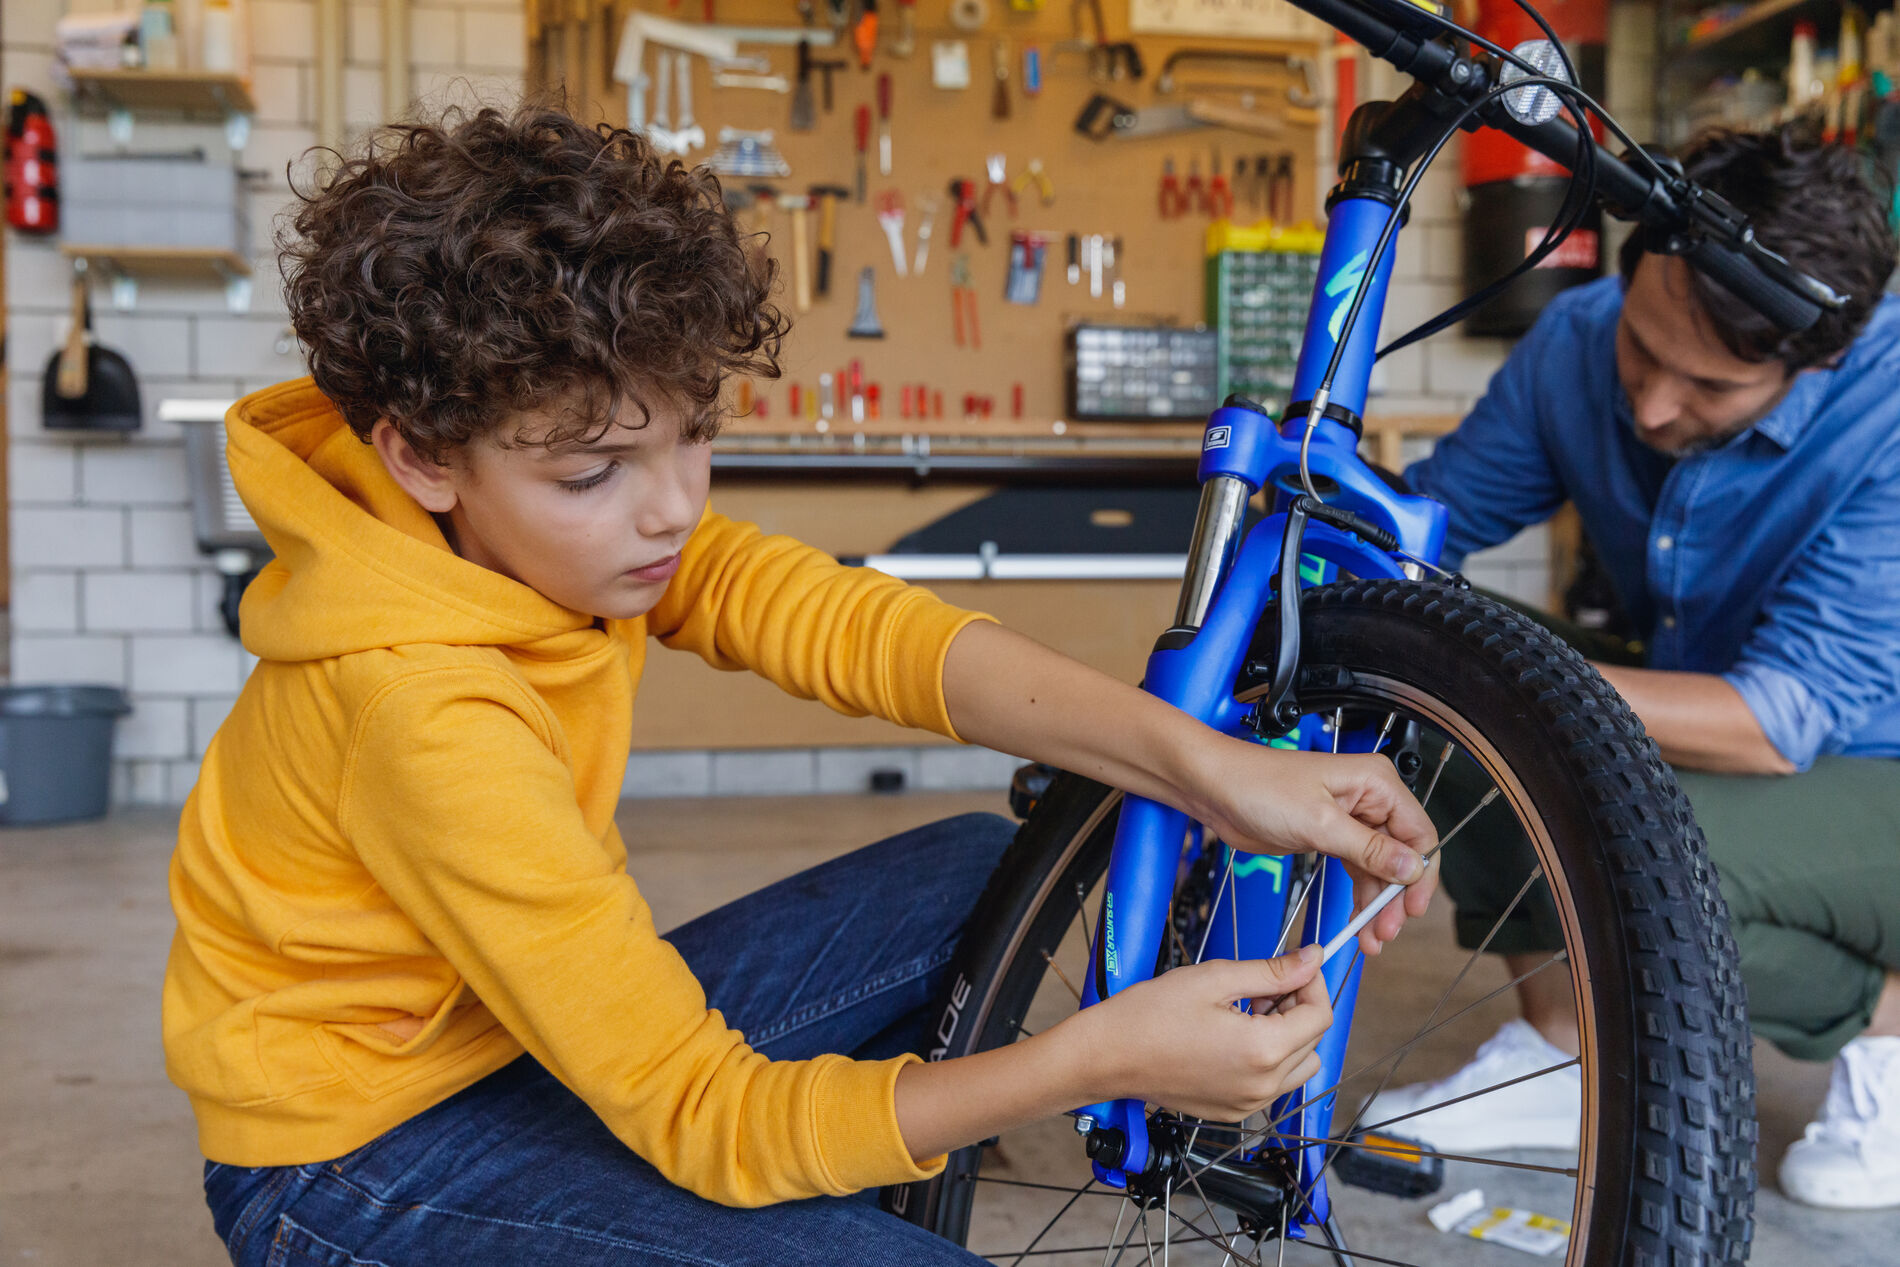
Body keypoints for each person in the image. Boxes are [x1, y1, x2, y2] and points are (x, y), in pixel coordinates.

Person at [161, 103, 1441, 1266]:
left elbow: (855, 627)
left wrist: (1211, 766)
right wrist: (1086, 1061)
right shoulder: (417, 708)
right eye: (595, 472)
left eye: (696, 433)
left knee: (969, 867)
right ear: (424, 456)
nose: (671, 511)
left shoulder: (536, 533)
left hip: (506, 1043)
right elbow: (704, 1115)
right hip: (350, 1161)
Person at [1371, 125, 1900, 1211]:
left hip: (1871, 758)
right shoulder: (1576, 341)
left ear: (1818, 360)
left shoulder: (1888, 406)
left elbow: (1776, 719)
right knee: (1420, 668)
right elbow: (1424, 534)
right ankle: (1561, 1050)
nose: (1653, 405)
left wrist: (1509, 687)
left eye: (1705, 386)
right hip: (1736, 714)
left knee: (1638, 851)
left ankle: (1889, 1035)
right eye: (1643, 353)